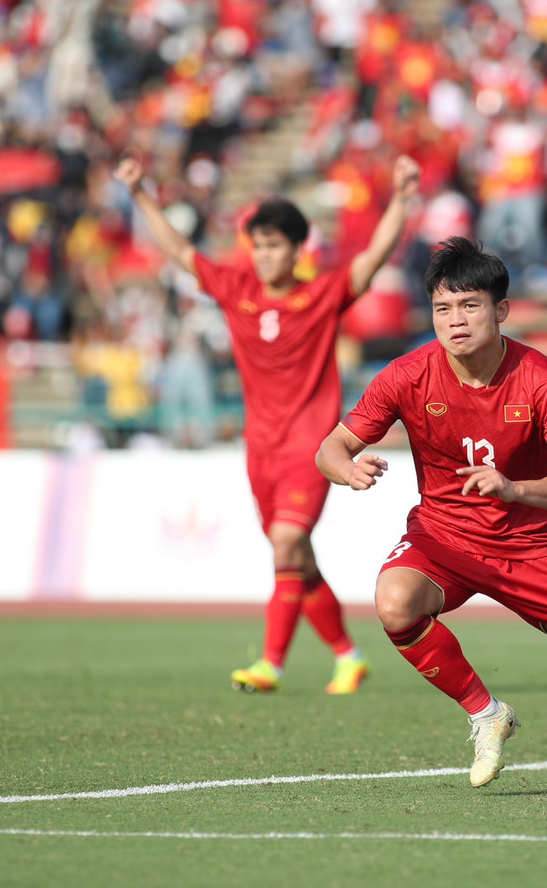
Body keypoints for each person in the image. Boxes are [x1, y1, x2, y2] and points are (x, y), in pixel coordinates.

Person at [316, 236, 547, 795]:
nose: (455, 320)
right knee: (394, 603)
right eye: (443, 308)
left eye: (469, 305)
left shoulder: (543, 379)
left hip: (531, 547)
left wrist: (514, 487)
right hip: (444, 535)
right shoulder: (406, 375)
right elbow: (330, 448)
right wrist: (348, 471)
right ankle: (486, 712)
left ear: (500, 310)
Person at [115, 151, 421, 695]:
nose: (262, 255)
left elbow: (372, 256)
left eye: (274, 245)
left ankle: (270, 665)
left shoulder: (321, 294)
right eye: (256, 245)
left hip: (312, 446)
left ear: (299, 250)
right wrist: (140, 195)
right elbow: (181, 252)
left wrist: (399, 198)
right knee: (295, 558)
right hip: (260, 447)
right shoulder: (238, 292)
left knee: (285, 544)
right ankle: (348, 656)